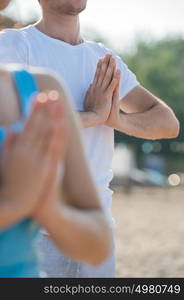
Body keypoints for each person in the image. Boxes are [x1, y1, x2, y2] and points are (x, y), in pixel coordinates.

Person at [0, 0, 179, 278]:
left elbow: (168, 123)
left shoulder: (103, 58)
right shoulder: (14, 44)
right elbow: (19, 126)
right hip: (35, 230)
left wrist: (116, 119)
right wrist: (92, 116)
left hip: (97, 230)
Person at [0, 0, 112, 277]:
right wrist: (15, 205)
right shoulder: (18, 46)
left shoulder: (40, 87)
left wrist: (49, 207)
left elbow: (98, 244)